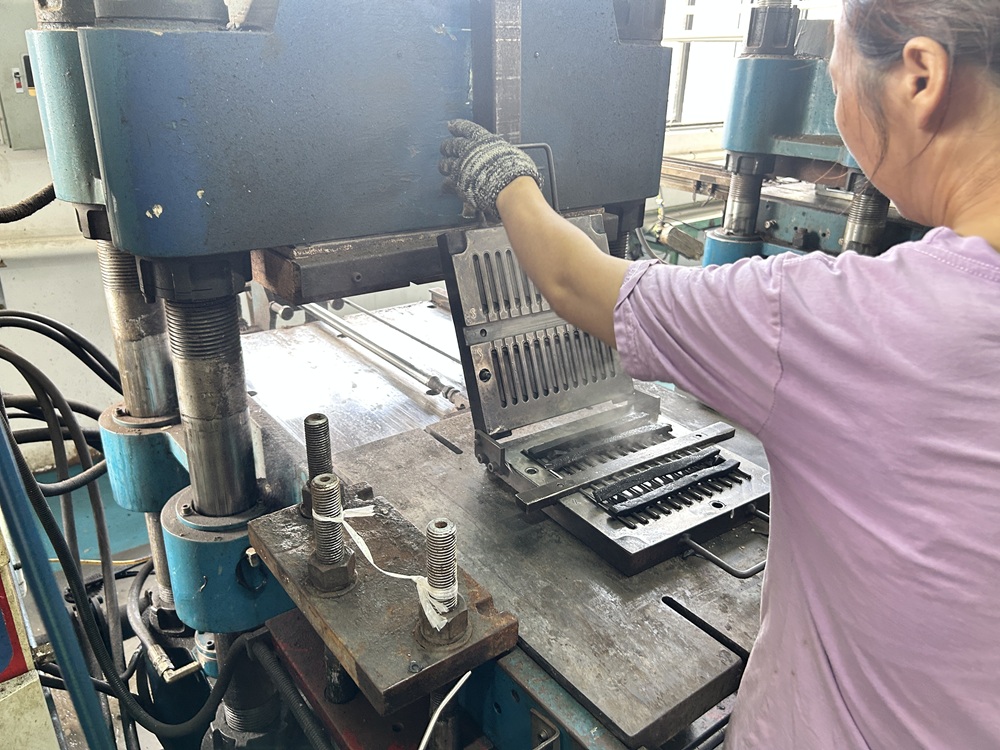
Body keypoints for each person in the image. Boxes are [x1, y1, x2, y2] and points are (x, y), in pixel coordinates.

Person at [439, 1, 1000, 747]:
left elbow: (574, 283)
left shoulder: (851, 317)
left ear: (920, 78)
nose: (839, 117)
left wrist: (508, 180)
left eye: (837, 83)